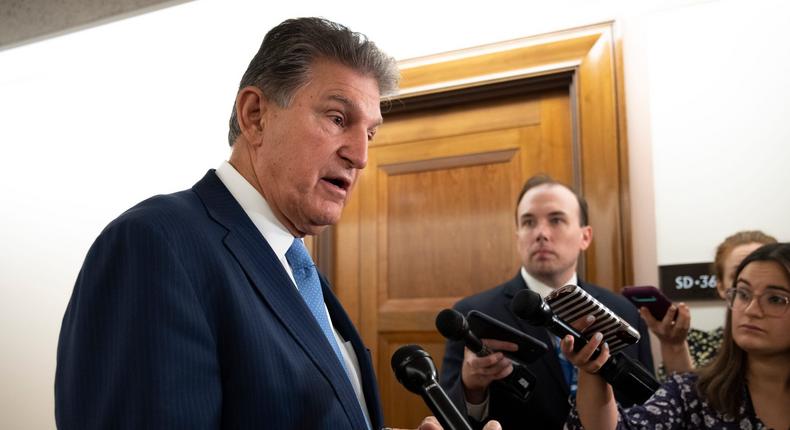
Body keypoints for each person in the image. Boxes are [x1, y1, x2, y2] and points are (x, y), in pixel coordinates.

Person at [54, 17, 499, 430]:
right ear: (255, 116)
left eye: (369, 134)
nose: (360, 157)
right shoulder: (155, 245)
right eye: (337, 118)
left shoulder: (295, 268)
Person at [439, 174, 654, 430]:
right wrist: (471, 387)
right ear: (518, 235)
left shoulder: (624, 312)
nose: (541, 233)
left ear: (585, 237)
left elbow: (647, 406)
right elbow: (445, 416)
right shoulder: (473, 315)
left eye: (556, 220)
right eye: (528, 222)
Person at [563, 242, 790, 430]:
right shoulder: (693, 393)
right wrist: (593, 367)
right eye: (743, 293)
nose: (751, 310)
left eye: (775, 299)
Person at [641, 231, 777, 376]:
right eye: (740, 278)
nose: (753, 307)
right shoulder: (694, 345)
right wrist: (674, 347)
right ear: (721, 287)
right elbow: (680, 394)